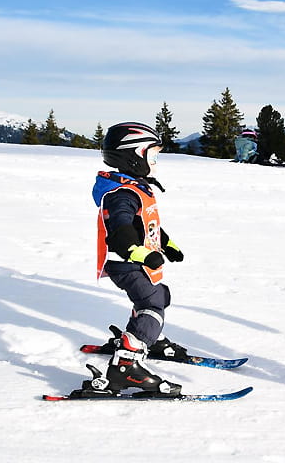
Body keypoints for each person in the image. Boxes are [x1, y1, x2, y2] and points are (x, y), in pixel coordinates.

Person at [90, 122, 187, 395]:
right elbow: (120, 234)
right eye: (152, 156)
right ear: (134, 156)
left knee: (159, 296)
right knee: (151, 303)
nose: (155, 163)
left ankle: (148, 339)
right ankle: (126, 365)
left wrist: (167, 244)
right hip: (126, 262)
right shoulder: (122, 194)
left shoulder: (135, 188)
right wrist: (140, 253)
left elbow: (145, 223)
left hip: (138, 260)